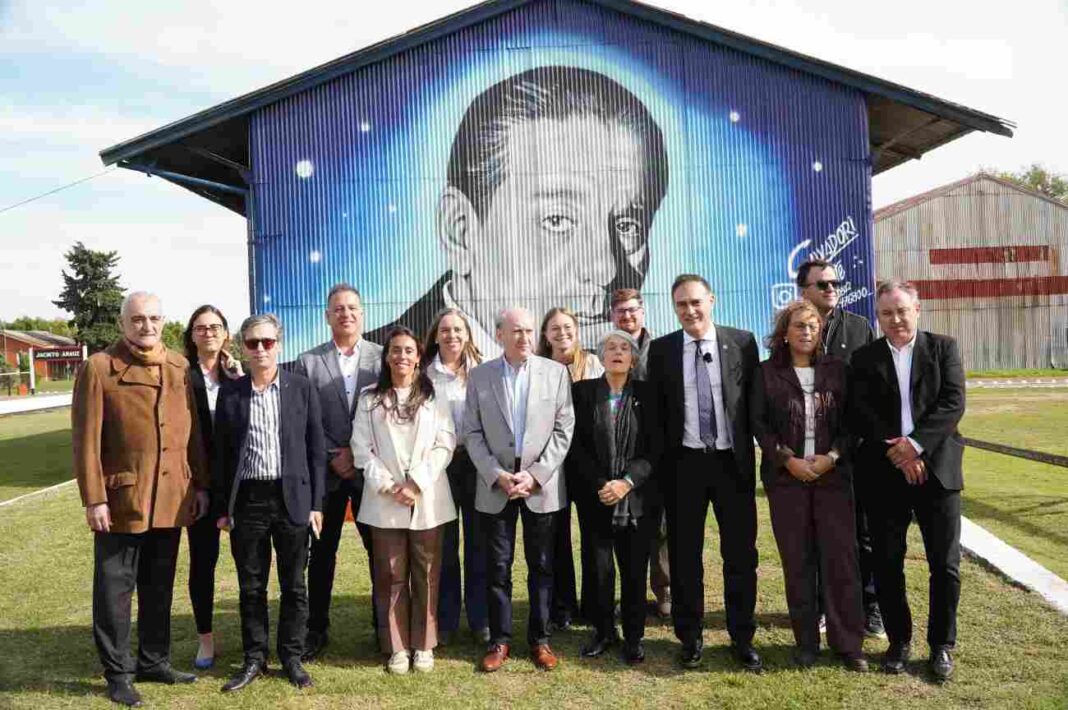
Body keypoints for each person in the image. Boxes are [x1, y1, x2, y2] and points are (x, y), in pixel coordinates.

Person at [366, 65, 669, 357]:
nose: (605, 270)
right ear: (459, 232)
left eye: (628, 225)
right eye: (556, 220)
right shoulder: (372, 368)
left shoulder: (644, 372)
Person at [72, 291, 208, 707]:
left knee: (159, 586)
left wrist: (200, 484)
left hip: (170, 497)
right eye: (137, 319)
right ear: (122, 324)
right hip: (120, 502)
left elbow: (195, 434)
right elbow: (85, 442)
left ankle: (154, 660)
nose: (146, 326)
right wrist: (94, 499)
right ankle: (118, 672)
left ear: (163, 321)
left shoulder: (180, 366)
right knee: (115, 591)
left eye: (153, 318)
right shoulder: (98, 368)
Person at [850, 281, 966, 682]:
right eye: (887, 313)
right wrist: (898, 452)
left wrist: (916, 447)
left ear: (917, 309)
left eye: (902, 310)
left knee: (945, 565)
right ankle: (898, 641)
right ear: (877, 316)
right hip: (884, 474)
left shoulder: (944, 348)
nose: (895, 319)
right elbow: (859, 411)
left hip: (939, 471)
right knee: (886, 562)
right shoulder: (864, 358)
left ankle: (941, 646)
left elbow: (953, 403)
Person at [645, 274, 762, 672]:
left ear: (711, 300)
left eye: (696, 302)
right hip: (685, 466)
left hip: (733, 464)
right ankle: (690, 637)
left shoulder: (742, 343)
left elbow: (754, 406)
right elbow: (657, 418)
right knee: (684, 556)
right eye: (681, 305)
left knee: (741, 555)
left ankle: (742, 636)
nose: (690, 311)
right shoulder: (661, 351)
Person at [750, 299, 867, 672]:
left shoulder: (838, 370)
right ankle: (806, 643)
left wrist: (832, 456)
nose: (806, 331)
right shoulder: (766, 373)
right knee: (798, 562)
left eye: (813, 326)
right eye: (799, 325)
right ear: (785, 333)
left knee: (841, 561)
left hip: (833, 478)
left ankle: (848, 644)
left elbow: (853, 424)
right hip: (787, 481)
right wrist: (788, 459)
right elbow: (759, 425)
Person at [213, 314, 325, 693]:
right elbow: (222, 456)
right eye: (252, 343)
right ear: (243, 348)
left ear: (279, 343)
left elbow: (315, 449)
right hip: (247, 501)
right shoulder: (232, 393)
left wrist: (317, 504)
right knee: (251, 586)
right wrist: (223, 508)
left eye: (267, 342)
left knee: (294, 585)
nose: (260, 349)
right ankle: (254, 658)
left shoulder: (302, 388)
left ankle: (291, 657)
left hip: (292, 498)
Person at [463, 307, 575, 672]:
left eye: (529, 330)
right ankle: (500, 640)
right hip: (496, 487)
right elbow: (472, 433)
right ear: (499, 335)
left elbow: (563, 431)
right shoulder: (480, 376)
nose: (524, 337)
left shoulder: (556, 374)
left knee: (542, 566)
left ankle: (540, 640)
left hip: (539, 488)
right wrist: (496, 473)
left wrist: (536, 475)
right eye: (516, 331)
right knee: (497, 567)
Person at [352, 327, 457, 674]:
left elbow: (446, 443)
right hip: (385, 501)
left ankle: (424, 644)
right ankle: (397, 646)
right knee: (390, 574)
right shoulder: (369, 398)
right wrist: (389, 485)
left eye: (409, 351)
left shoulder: (434, 395)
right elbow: (361, 449)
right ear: (386, 356)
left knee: (427, 573)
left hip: (427, 499)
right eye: (395, 350)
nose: (402, 357)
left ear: (418, 356)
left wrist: (416, 483)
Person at [294, 284, 383, 660]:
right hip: (326, 474)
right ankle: (316, 629)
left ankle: (385, 628)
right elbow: (304, 418)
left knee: (380, 552)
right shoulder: (308, 361)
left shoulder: (382, 358)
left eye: (352, 308)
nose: (345, 314)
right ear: (327, 316)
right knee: (321, 553)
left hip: (371, 474)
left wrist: (356, 454)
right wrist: (335, 453)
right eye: (338, 309)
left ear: (362, 314)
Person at [797, 258, 882, 639]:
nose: (831, 288)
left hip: (856, 451)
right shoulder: (794, 329)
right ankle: (820, 607)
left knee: (865, 534)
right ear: (804, 291)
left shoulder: (860, 328)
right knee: (816, 535)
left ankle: (870, 607)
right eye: (822, 284)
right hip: (810, 453)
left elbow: (872, 391)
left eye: (835, 282)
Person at [569, 331, 661, 664]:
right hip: (597, 498)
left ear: (633, 359)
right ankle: (604, 631)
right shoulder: (582, 393)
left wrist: (626, 481)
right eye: (611, 348)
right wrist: (601, 483)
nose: (618, 353)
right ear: (601, 357)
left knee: (634, 570)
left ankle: (634, 637)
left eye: (625, 348)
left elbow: (655, 448)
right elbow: (576, 446)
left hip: (636, 499)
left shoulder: (649, 395)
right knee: (600, 569)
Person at [182, 305, 243, 670]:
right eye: (201, 328)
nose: (208, 333)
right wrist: (197, 485)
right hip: (201, 486)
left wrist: (238, 378)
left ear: (226, 334)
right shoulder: (181, 376)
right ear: (192, 335)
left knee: (248, 562)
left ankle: (254, 636)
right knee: (202, 563)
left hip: (237, 486)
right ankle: (205, 639)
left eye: (215, 327)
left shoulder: (239, 375)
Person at [424, 308, 489, 645]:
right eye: (445, 330)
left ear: (468, 335)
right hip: (440, 468)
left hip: (476, 464)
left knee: (479, 543)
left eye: (458, 330)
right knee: (444, 546)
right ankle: (446, 621)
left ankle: (480, 620)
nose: (452, 336)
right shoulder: (424, 374)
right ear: (436, 335)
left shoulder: (482, 371)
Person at [537, 307, 603, 630]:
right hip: (553, 464)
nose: (562, 333)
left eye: (568, 327)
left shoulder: (593, 363)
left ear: (577, 331)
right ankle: (562, 607)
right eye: (555, 328)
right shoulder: (538, 369)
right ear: (545, 335)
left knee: (594, 536)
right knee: (556, 538)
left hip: (589, 463)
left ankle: (593, 605)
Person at [610, 287, 669, 618]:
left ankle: (664, 591)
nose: (627, 316)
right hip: (620, 453)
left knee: (661, 526)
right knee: (625, 528)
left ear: (642, 312)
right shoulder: (609, 350)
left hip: (657, 449)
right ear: (612, 316)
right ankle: (628, 594)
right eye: (621, 311)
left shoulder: (661, 350)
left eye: (632, 310)